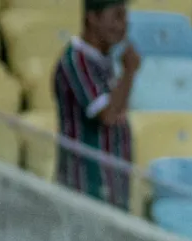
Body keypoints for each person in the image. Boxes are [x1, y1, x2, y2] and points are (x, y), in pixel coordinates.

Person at [53, 0, 139, 211]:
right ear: (92, 18)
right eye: (117, 16)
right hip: (84, 188)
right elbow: (107, 115)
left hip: (111, 187)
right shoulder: (76, 61)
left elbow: (119, 112)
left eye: (125, 17)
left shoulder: (105, 60)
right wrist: (129, 73)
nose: (123, 25)